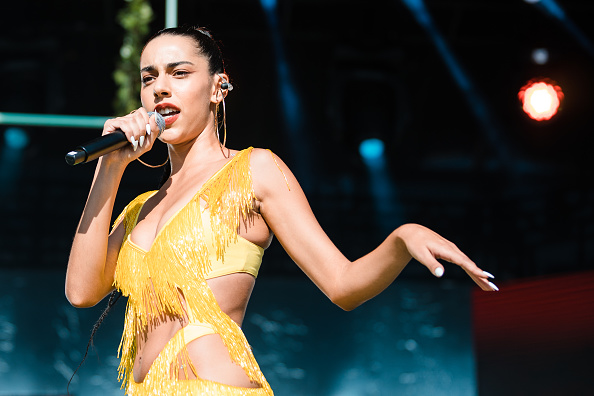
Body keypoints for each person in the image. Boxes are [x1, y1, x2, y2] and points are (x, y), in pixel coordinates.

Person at [64, 26, 498, 395]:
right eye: (149, 77)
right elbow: (81, 293)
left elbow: (342, 285)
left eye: (180, 73)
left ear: (218, 87)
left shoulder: (255, 169)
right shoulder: (141, 208)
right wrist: (110, 164)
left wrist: (403, 237)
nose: (160, 87)